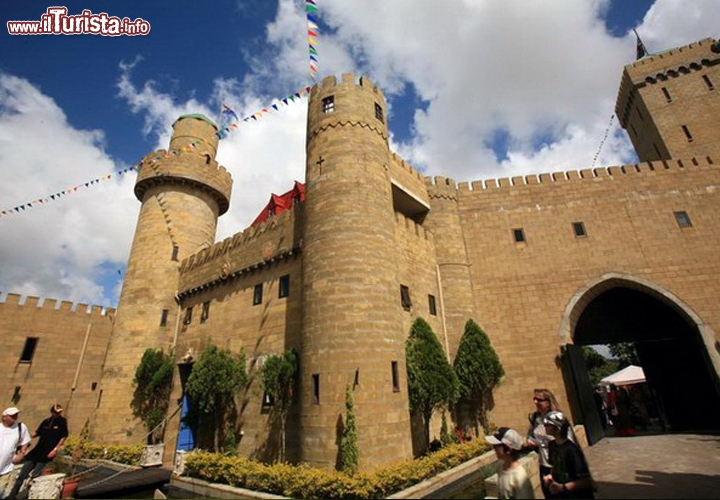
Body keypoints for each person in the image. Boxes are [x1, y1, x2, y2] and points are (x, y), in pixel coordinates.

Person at [7, 404, 68, 499]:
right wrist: (25, 433)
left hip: (46, 454)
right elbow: (36, 433)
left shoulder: (62, 422)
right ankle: (12, 496)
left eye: (59, 412)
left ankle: (25, 496)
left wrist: (55, 449)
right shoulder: (46, 422)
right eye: (55, 412)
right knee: (22, 475)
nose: (57, 414)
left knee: (35, 476)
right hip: (37, 451)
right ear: (52, 412)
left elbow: (63, 436)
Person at [526, 388, 576, 499]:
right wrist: (531, 442)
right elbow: (530, 435)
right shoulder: (535, 418)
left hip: (560, 466)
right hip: (544, 465)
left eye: (539, 399)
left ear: (548, 402)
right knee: (549, 495)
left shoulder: (558, 418)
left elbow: (569, 442)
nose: (535, 402)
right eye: (534, 399)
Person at [542, 411, 594, 499]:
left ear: (558, 429)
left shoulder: (571, 450)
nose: (545, 426)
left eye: (548, 424)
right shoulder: (552, 445)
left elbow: (586, 481)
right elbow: (555, 466)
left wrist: (563, 487)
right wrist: (550, 477)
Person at [485, 427, 535, 499]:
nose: (494, 448)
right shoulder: (500, 466)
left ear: (508, 449)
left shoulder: (519, 478)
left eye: (496, 445)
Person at [0, 408, 31, 500]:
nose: (15, 417)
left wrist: (21, 454)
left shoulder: (21, 427)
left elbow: (25, 441)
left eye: (16, 415)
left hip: (6, 469)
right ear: (4, 417)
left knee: (1, 493)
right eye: (12, 415)